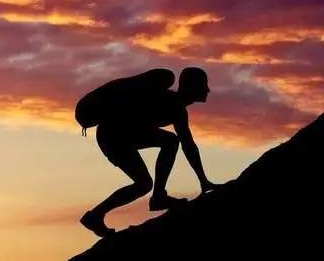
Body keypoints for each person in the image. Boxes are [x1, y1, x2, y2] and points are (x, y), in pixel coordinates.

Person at [79, 67, 220, 237]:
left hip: (119, 136)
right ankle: (158, 197)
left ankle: (95, 216)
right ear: (192, 87)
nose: (207, 90)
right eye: (203, 85)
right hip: (112, 135)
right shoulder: (165, 99)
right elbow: (186, 144)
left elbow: (189, 146)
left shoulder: (178, 110)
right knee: (170, 142)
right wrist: (203, 181)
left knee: (143, 184)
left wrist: (203, 181)